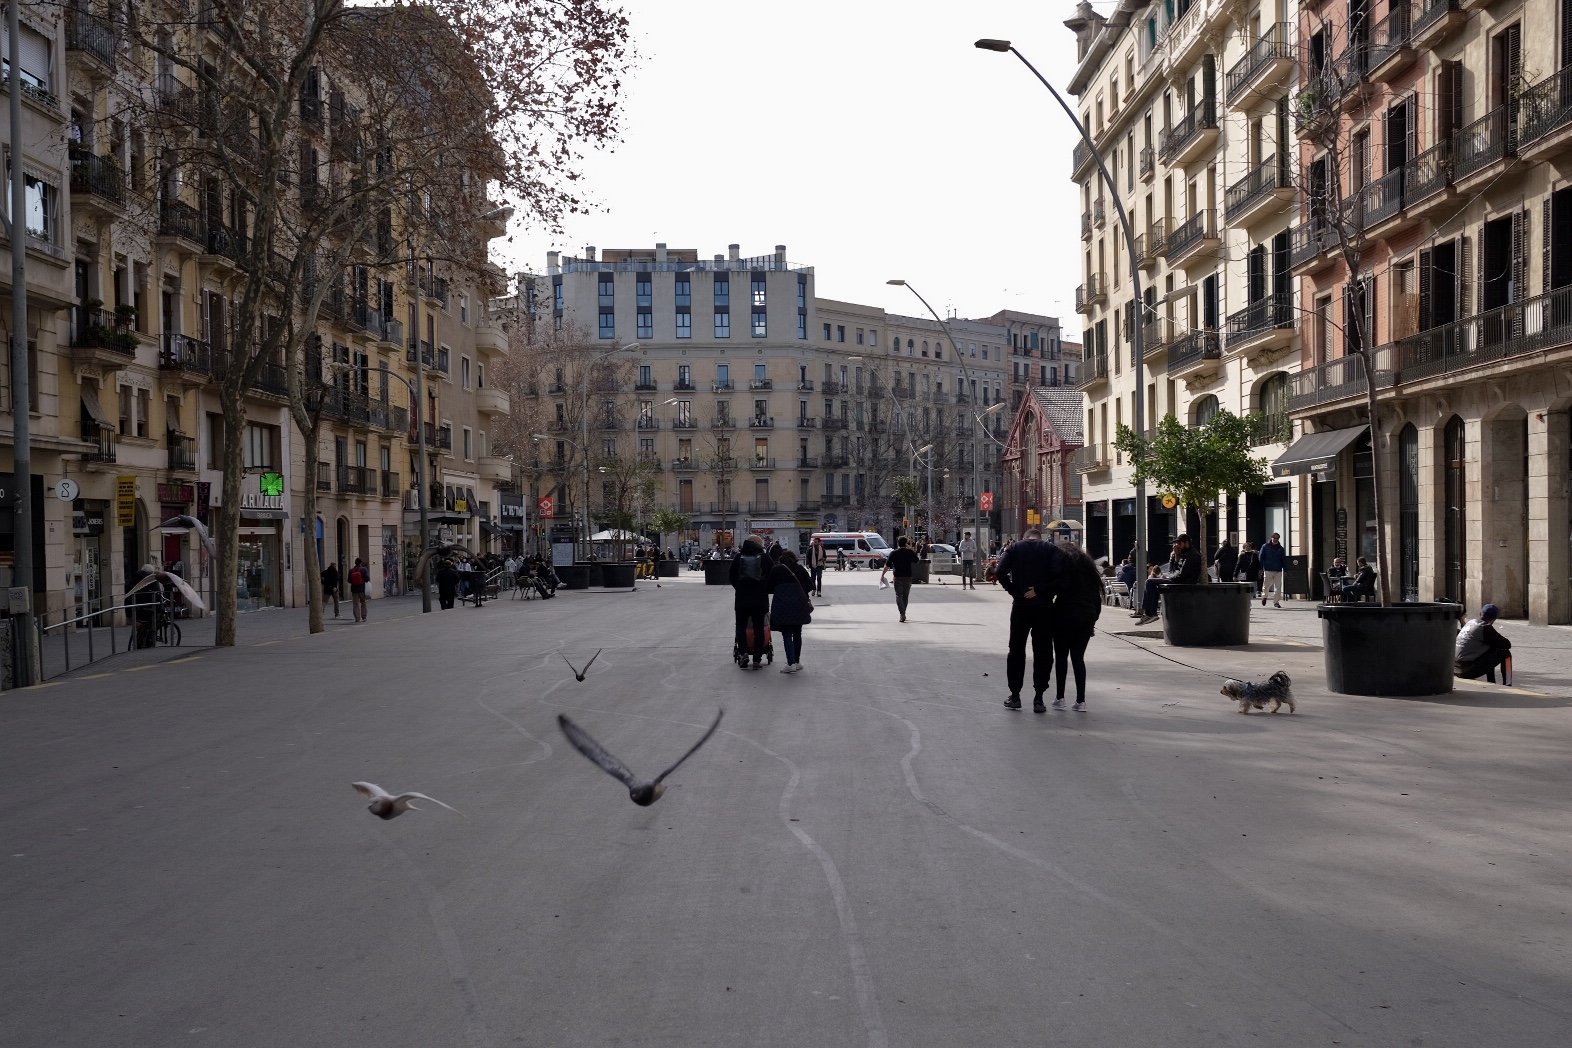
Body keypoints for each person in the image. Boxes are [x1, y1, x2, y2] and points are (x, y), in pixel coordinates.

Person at [995, 528, 1067, 712]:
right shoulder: (1052, 550)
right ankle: (1039, 698)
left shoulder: (1014, 548)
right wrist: (1040, 590)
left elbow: (1000, 571)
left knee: (1016, 649)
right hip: (1044, 607)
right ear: (1039, 537)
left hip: (1021, 606)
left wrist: (1014, 591)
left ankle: (1015, 695)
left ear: (1024, 537)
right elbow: (1060, 578)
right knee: (1043, 651)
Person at [1052, 545, 1104, 711]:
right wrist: (1093, 621)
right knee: (1078, 658)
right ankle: (1080, 701)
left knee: (1061, 656)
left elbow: (1054, 590)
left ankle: (1060, 698)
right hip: (1086, 617)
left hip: (1063, 616)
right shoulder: (1090, 575)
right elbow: (1097, 601)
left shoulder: (1063, 571)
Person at [729, 535, 775, 669]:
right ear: (758, 544)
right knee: (759, 628)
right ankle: (756, 659)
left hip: (742, 599)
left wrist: (740, 587)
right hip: (759, 599)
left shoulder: (738, 557)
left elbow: (731, 575)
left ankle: (743, 652)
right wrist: (765, 588)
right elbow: (772, 574)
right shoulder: (765, 557)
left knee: (741, 626)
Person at [1135, 533, 1201, 625]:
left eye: (1179, 543)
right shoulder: (1183, 554)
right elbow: (1172, 570)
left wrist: (1170, 577)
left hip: (1183, 583)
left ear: (1186, 543)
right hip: (1178, 580)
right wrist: (1175, 557)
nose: (1178, 546)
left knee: (1150, 582)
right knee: (1154, 585)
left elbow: (1182, 575)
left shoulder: (1192, 556)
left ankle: (1150, 613)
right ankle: (1150, 613)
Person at [767, 549, 814, 673]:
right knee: (797, 633)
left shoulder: (776, 570)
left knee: (787, 634)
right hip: (799, 605)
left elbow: (769, 587)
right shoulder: (800, 569)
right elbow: (810, 585)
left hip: (783, 605)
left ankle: (790, 663)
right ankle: (797, 662)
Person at [1456, 604, 1512, 683]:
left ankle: (1491, 681)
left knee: (1491, 648)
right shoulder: (1484, 627)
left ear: (1480, 614)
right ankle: (1508, 683)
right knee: (1505, 653)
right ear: (1494, 619)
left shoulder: (1471, 622)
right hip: (1466, 670)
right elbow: (1507, 644)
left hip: (1455, 668)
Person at [878, 536, 921, 622]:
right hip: (908, 577)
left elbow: (887, 565)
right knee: (905, 596)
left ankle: (902, 613)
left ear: (898, 543)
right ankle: (903, 613)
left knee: (898, 595)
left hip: (897, 577)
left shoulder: (894, 553)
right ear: (906, 543)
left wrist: (882, 575)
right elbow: (917, 561)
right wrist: (910, 549)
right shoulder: (909, 552)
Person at [1259, 532, 1287, 607]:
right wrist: (1261, 568)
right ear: (1271, 538)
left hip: (1278, 570)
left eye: (1277, 538)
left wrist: (1285, 570)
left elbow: (1283, 559)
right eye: (1274, 538)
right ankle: (1264, 597)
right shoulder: (1265, 546)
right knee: (1266, 585)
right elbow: (1261, 557)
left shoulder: (1281, 549)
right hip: (1268, 569)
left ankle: (1276, 602)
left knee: (1278, 587)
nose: (1275, 539)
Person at [346, 557, 370, 621]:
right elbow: (367, 579)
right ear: (361, 563)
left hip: (354, 590)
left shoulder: (351, 570)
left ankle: (357, 618)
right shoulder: (364, 569)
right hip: (361, 589)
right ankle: (364, 617)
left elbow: (349, 580)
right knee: (363, 602)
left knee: (355, 604)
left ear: (355, 563)